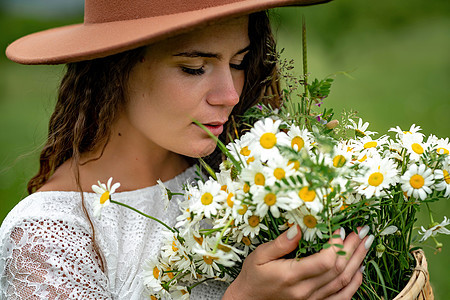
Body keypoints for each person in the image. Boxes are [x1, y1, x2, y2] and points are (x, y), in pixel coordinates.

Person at [1, 0, 373, 299]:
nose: (230, 95)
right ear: (114, 68)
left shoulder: (240, 175)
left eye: (239, 63)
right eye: (195, 67)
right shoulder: (49, 236)